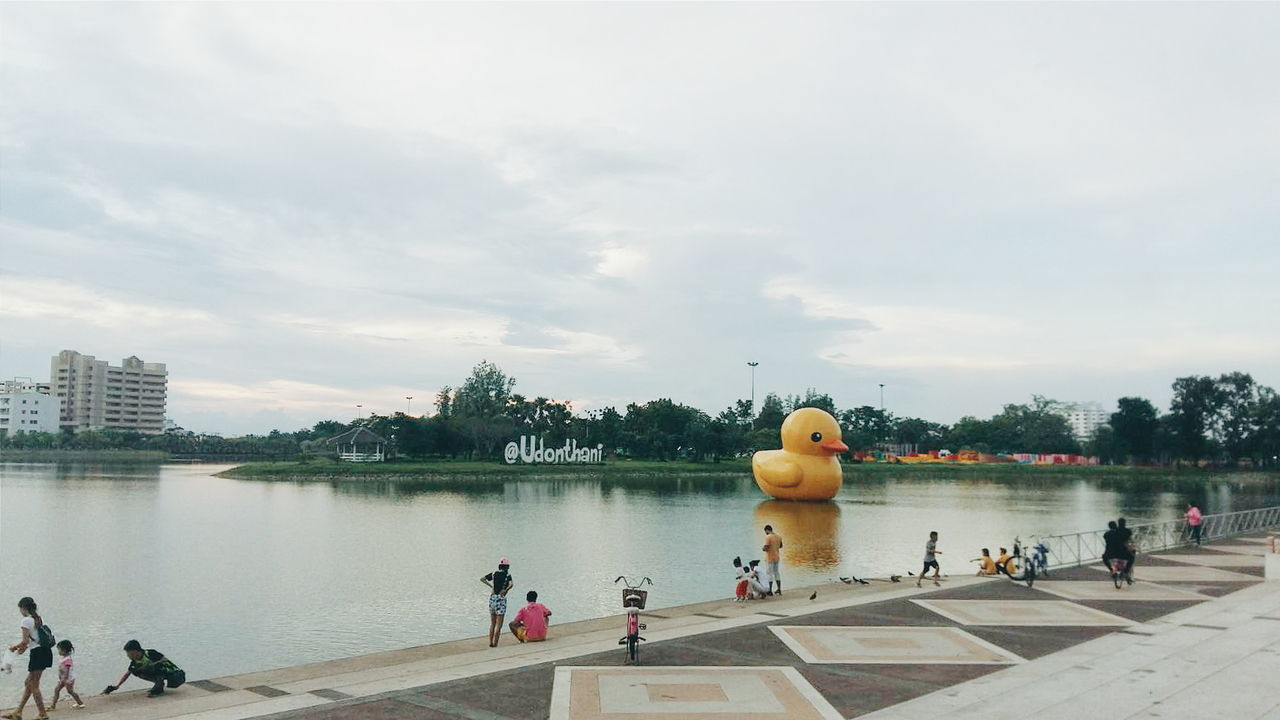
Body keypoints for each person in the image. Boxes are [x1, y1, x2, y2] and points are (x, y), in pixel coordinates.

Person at [3, 597, 51, 720]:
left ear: (23, 608)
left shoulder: (25, 621)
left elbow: (25, 640)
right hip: (45, 652)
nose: (20, 611)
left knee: (34, 685)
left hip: (37, 654)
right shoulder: (37, 618)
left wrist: (14, 647)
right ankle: (18, 712)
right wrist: (23, 648)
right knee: (28, 683)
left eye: (20, 608)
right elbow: (34, 639)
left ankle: (43, 714)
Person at [103, 641, 185, 698]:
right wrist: (118, 686)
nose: (128, 656)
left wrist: (150, 665)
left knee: (154, 666)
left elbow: (165, 660)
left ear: (136, 651)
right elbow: (128, 673)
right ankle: (158, 684)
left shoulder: (150, 653)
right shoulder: (135, 662)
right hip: (160, 674)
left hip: (174, 675)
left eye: (130, 653)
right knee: (136, 670)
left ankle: (159, 688)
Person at [481, 558, 514, 648]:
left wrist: (491, 586)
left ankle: (490, 642)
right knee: (499, 624)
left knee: (492, 623)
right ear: (507, 566)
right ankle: (495, 643)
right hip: (501, 599)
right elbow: (511, 584)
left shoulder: (494, 573)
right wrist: (505, 589)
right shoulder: (507, 575)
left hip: (492, 598)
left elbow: (483, 579)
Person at [48, 641, 82, 711]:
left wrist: (63, 679)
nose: (58, 651)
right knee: (57, 690)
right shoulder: (64, 658)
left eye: (59, 649)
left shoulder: (67, 659)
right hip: (63, 679)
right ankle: (53, 706)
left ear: (64, 650)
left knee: (70, 691)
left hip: (67, 679)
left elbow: (67, 670)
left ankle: (80, 703)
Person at [762, 525, 784, 595]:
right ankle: (779, 589)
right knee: (776, 573)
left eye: (765, 532)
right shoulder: (779, 536)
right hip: (777, 557)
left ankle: (770, 590)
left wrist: (763, 548)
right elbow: (781, 546)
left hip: (769, 558)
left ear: (767, 530)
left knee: (769, 574)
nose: (765, 533)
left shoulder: (768, 537)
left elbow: (766, 547)